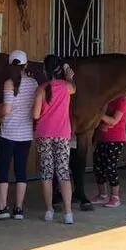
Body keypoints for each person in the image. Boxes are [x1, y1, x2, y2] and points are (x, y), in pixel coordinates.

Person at [0, 50, 39, 220]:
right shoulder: (33, 83)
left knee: (3, 169)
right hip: (25, 134)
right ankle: (18, 208)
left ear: (10, 65)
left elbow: (6, 110)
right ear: (26, 65)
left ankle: (2, 207)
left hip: (8, 133)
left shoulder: (9, 83)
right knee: (21, 170)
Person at [33, 55, 76, 224]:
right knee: (63, 172)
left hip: (44, 133)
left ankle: (49, 210)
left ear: (45, 70)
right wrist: (69, 76)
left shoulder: (41, 89)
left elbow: (35, 115)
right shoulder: (67, 87)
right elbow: (73, 87)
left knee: (46, 173)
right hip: (62, 133)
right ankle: (68, 213)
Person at [92, 95, 126, 208]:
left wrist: (99, 114)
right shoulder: (108, 99)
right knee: (98, 166)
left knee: (110, 166)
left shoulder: (122, 100)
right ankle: (102, 194)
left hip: (116, 139)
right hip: (102, 138)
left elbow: (114, 121)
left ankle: (115, 197)